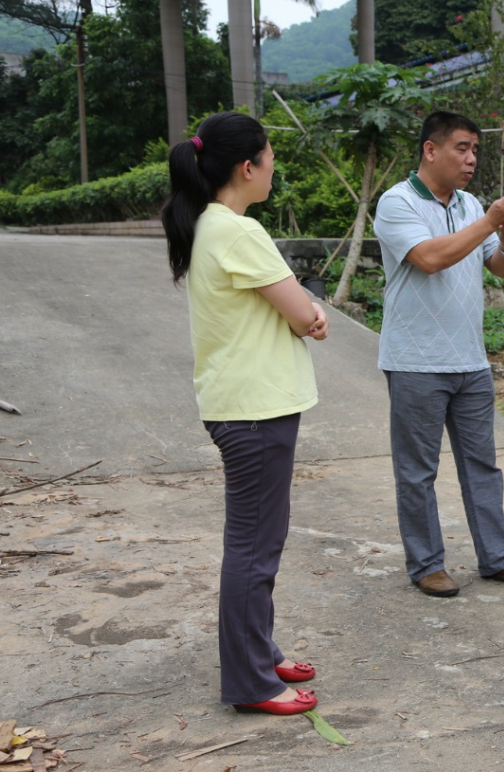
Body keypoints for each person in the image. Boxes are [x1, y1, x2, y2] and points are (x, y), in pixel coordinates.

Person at [162, 112, 330, 716]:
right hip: (255, 411)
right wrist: (312, 314)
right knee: (255, 547)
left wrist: (305, 311)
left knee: (260, 540)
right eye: (270, 154)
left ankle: (259, 651)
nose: (274, 164)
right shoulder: (238, 231)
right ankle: (253, 681)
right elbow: (299, 312)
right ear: (247, 167)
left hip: (243, 405)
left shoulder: (211, 224)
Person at [373, 111, 504, 598]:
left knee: (482, 465)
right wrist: (488, 221)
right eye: (461, 149)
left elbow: (498, 267)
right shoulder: (396, 201)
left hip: (470, 360)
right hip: (416, 361)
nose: (471, 160)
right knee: (417, 470)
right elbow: (429, 259)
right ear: (430, 150)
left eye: (475, 151)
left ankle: (497, 557)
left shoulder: (469, 204)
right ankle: (427, 564)